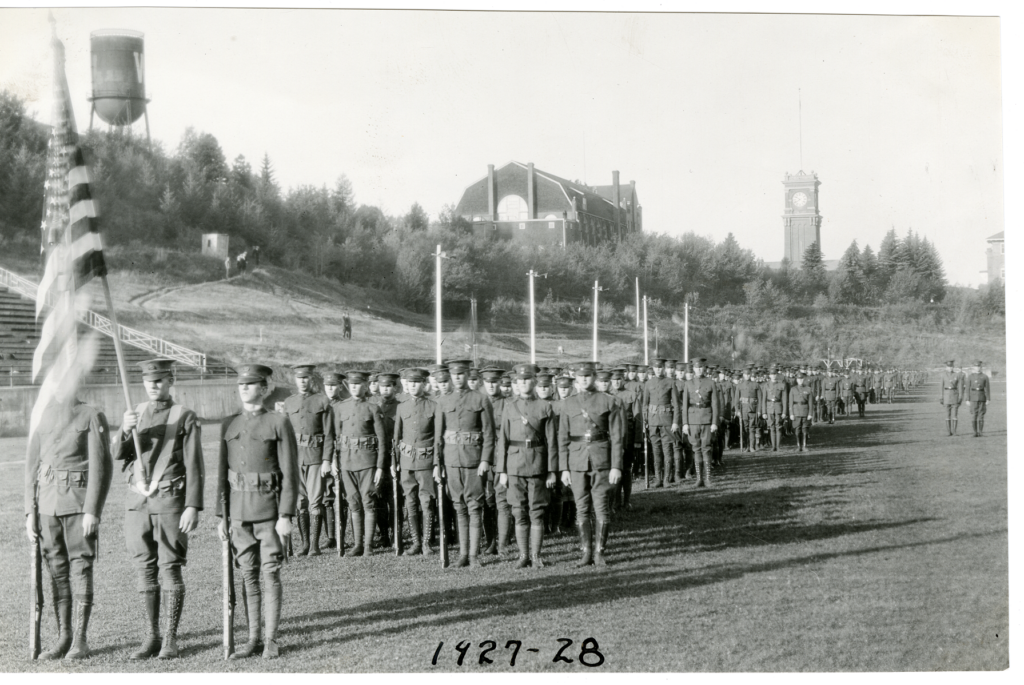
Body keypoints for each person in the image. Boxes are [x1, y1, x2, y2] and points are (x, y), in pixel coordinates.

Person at [113, 359, 204, 660]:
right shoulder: (136, 413)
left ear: (171, 380)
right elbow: (118, 454)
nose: (153, 385)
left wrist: (192, 506)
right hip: (138, 502)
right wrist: (126, 432)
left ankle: (170, 638)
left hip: (169, 501)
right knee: (144, 568)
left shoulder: (185, 416)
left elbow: (194, 465)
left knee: (170, 568)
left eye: (160, 380)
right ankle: (151, 636)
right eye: (149, 380)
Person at [216, 363, 298, 659]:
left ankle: (271, 639)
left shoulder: (278, 422)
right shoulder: (229, 424)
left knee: (270, 574)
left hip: (269, 513)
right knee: (248, 575)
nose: (245, 389)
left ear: (264, 389)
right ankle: (252, 640)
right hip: (238, 514)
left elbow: (290, 473)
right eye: (242, 385)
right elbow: (221, 475)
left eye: (251, 384)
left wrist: (286, 515)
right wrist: (220, 516)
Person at [25, 395, 113, 660]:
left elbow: (102, 466)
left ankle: (80, 640)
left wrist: (92, 510)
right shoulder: (43, 413)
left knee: (81, 566)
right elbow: (31, 466)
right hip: (47, 505)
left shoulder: (90, 415)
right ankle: (64, 637)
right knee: (56, 569)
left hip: (77, 504)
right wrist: (30, 510)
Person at [557, 361, 623, 567]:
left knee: (601, 507)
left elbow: (617, 437)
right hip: (576, 461)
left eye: (588, 376)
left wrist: (616, 466)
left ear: (594, 377)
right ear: (575, 378)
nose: (584, 379)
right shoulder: (568, 404)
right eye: (580, 376)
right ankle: (585, 552)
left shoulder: (608, 402)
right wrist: (563, 468)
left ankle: (599, 552)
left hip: (601, 460)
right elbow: (562, 439)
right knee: (581, 508)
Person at [496, 363, 558, 567]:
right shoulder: (509, 406)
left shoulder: (545, 407)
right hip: (514, 466)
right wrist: (502, 471)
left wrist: (551, 471)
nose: (524, 383)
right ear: (516, 382)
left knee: (537, 511)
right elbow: (503, 441)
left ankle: (536, 556)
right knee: (518, 511)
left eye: (528, 379)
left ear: (534, 381)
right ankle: (523, 556)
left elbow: (551, 441)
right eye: (520, 380)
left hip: (538, 464)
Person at [434, 359, 495, 567]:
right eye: (454, 374)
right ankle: (462, 554)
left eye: (461, 374)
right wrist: (437, 463)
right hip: (451, 461)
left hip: (474, 461)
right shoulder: (443, 401)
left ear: (468, 374)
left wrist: (486, 460)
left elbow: (488, 434)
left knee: (475, 507)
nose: (458, 377)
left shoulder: (480, 400)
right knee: (459, 507)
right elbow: (438, 437)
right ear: (450, 376)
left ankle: (474, 555)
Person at [281, 364, 335, 556]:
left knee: (315, 502)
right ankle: (304, 544)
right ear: (295, 380)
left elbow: (329, 434)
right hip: (296, 459)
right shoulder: (289, 403)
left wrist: (327, 460)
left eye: (306, 378)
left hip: (315, 457)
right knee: (300, 503)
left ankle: (314, 545)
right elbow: (284, 435)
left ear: (311, 379)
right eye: (299, 378)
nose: (303, 381)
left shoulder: (322, 401)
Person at [334, 371, 388, 556]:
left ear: (365, 385)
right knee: (353, 502)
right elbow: (335, 437)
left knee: (368, 502)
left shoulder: (373, 408)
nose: (356, 387)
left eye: (359, 384)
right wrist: (335, 462)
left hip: (367, 461)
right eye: (352, 384)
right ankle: (357, 544)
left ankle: (368, 546)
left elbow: (382, 441)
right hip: (347, 462)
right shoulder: (341, 408)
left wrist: (380, 467)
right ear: (348, 386)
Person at [393, 368, 440, 555]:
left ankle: (427, 542)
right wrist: (394, 462)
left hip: (426, 462)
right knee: (410, 501)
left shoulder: (433, 406)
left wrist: (437, 463)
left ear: (424, 384)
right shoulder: (401, 407)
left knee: (426, 501)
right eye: (410, 382)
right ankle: (416, 542)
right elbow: (396, 439)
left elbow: (437, 439)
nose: (413, 386)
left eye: (417, 382)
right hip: (406, 463)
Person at [680, 358, 720, 486]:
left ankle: (708, 478)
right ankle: (699, 479)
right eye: (697, 368)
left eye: (701, 367)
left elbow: (715, 404)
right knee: (696, 449)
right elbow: (685, 405)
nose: (699, 370)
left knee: (706, 448)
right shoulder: (688, 383)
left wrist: (714, 422)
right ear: (694, 369)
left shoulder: (711, 383)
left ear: (705, 368)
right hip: (692, 421)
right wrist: (685, 423)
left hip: (707, 419)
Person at [640, 358, 679, 488]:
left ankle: (667, 479)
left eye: (661, 367)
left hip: (667, 421)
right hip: (652, 422)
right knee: (656, 451)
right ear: (653, 368)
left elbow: (677, 405)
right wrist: (645, 421)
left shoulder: (671, 382)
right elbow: (645, 405)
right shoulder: (648, 383)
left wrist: (675, 422)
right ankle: (658, 479)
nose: (658, 370)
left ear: (664, 368)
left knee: (667, 450)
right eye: (656, 368)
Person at [734, 364, 761, 452]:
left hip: (753, 409)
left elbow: (760, 399)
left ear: (750, 375)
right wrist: (737, 410)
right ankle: (746, 446)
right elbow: (736, 400)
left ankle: (752, 446)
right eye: (745, 374)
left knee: (752, 428)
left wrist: (759, 410)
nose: (747, 376)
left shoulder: (756, 385)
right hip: (743, 409)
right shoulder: (739, 386)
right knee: (744, 428)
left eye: (749, 374)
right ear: (743, 375)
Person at [761, 366, 789, 451]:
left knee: (779, 426)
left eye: (774, 374)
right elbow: (764, 399)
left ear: (777, 375)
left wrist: (784, 412)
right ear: (769, 375)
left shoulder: (782, 385)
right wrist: (764, 412)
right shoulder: (766, 385)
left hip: (778, 407)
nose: (773, 376)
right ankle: (773, 446)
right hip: (769, 407)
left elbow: (784, 399)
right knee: (771, 427)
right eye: (771, 374)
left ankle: (778, 446)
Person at [788, 372, 815, 452]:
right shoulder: (793, 389)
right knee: (797, 430)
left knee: (805, 430)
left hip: (805, 411)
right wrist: (791, 413)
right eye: (799, 379)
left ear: (804, 379)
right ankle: (798, 446)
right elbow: (790, 402)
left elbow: (810, 403)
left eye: (802, 379)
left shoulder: (808, 389)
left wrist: (810, 413)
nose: (800, 381)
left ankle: (804, 446)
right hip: (796, 411)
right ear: (796, 380)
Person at [965, 361, 991, 438]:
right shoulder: (970, 376)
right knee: (974, 415)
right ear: (974, 367)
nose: (977, 368)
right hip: (973, 398)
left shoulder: (985, 376)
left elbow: (987, 388)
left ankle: (981, 432)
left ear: (981, 367)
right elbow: (967, 389)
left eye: (979, 366)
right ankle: (975, 432)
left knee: (981, 415)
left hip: (982, 397)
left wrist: (988, 399)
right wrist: (967, 399)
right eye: (976, 367)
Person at [939, 359, 964, 436]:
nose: (950, 368)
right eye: (949, 367)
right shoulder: (943, 375)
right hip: (946, 395)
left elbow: (960, 387)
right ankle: (949, 432)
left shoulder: (957, 375)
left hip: (954, 395)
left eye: (952, 367)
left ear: (953, 367)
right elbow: (941, 387)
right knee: (947, 415)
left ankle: (955, 431)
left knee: (955, 415)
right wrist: (941, 397)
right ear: (946, 367)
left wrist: (960, 397)